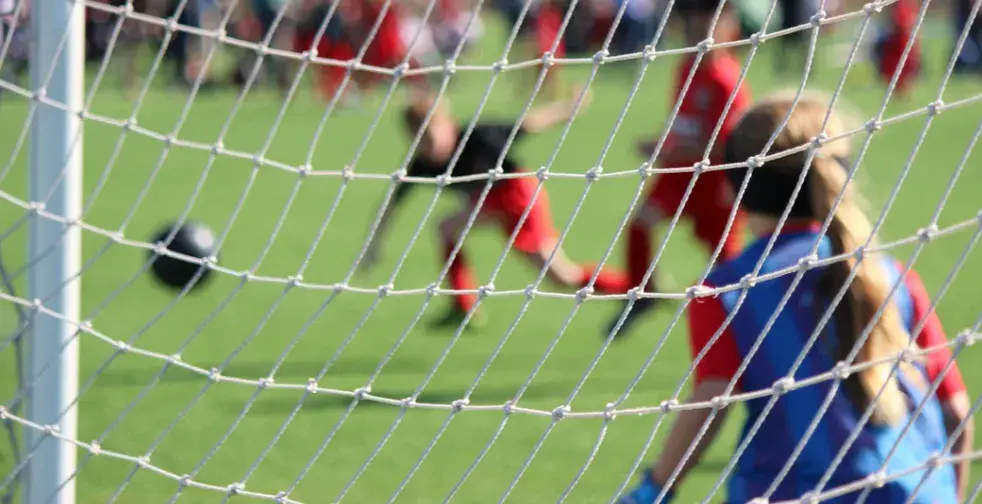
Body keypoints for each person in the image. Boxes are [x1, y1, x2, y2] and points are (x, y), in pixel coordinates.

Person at [617, 94, 972, 503]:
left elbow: (711, 404)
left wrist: (654, 489)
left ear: (734, 187)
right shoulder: (889, 276)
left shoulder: (727, 290)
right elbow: (956, 413)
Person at [360, 88, 630, 329]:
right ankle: (463, 306)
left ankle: (634, 289)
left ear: (447, 124)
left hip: (519, 194)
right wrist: (374, 244)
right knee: (449, 229)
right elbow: (390, 205)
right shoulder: (422, 165)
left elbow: (530, 123)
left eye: (432, 136)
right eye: (421, 141)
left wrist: (570, 107)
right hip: (489, 203)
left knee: (561, 275)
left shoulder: (478, 137)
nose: (430, 147)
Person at [607, 0, 750, 338]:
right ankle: (642, 294)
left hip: (714, 181)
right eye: (692, 29)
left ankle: (743, 321)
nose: (697, 36)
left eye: (706, 29)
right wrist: (662, 142)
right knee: (640, 224)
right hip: (679, 175)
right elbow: (683, 124)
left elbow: (724, 146)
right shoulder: (686, 68)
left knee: (726, 263)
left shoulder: (726, 81)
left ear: (727, 31)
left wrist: (668, 149)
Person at [871, 0, 921, 96]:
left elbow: (903, 25)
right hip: (896, 41)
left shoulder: (905, 6)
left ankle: (901, 86)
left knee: (901, 65)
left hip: (900, 41)